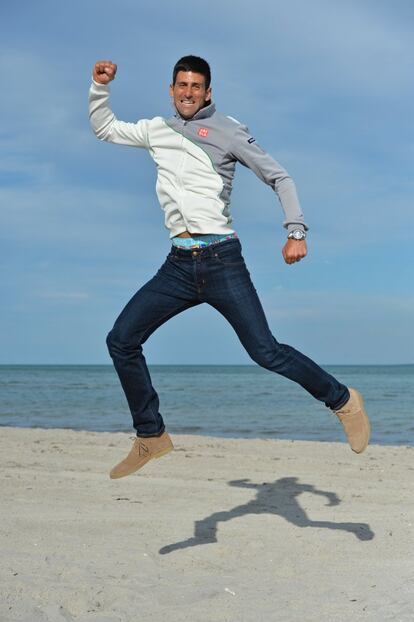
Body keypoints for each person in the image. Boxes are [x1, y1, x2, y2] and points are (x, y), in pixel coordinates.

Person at [88, 55, 370, 479]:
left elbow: (281, 178)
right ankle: (151, 435)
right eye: (181, 85)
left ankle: (343, 400)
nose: (187, 92)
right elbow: (107, 128)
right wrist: (99, 87)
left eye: (195, 86)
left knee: (266, 351)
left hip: (222, 261)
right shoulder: (156, 130)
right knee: (121, 340)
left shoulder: (229, 130)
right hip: (178, 265)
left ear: (208, 92)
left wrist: (296, 232)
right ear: (171, 89)